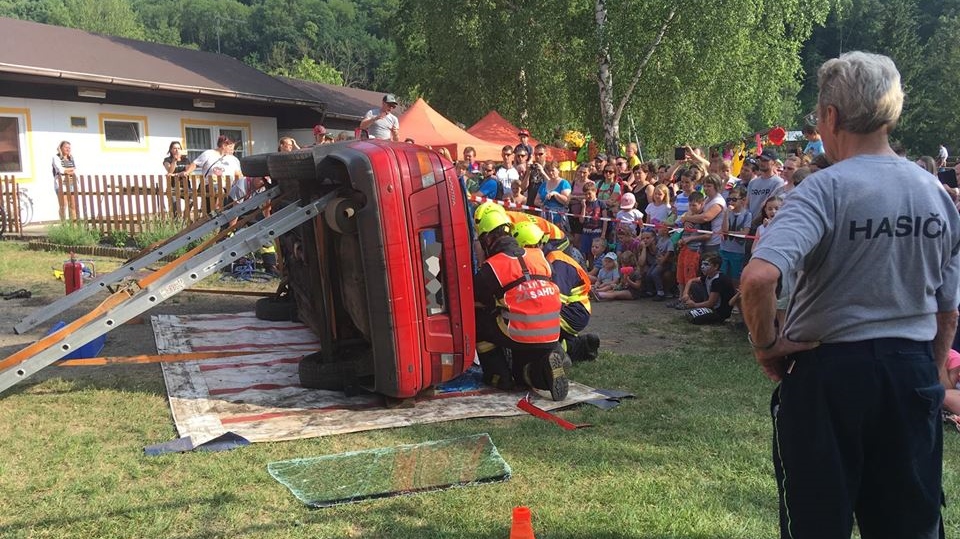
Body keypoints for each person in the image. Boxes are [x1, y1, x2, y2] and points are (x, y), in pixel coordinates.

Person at [739, 51, 960, 539]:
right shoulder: (935, 194)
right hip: (910, 371)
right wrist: (930, 372)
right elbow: (947, 310)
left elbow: (757, 279)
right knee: (910, 524)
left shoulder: (824, 190)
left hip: (830, 379)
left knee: (819, 523)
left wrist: (765, 343)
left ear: (830, 117)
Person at [472, 209, 568, 401]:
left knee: (478, 320)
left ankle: (498, 376)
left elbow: (479, 300)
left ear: (487, 240)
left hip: (518, 333)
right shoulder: (539, 256)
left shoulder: (492, 267)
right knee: (525, 372)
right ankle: (548, 364)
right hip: (552, 332)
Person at [512, 220, 600, 362]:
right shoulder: (547, 259)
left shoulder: (557, 261)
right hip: (570, 310)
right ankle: (581, 345)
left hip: (574, 311)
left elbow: (556, 300)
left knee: (535, 323)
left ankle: (558, 351)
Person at [181, 135, 243, 214]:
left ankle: (220, 215)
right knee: (217, 189)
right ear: (224, 145)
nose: (233, 150)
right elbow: (195, 164)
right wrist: (187, 172)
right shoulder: (209, 153)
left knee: (228, 199)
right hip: (210, 185)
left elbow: (238, 174)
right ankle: (215, 212)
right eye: (231, 147)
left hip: (228, 187)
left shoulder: (233, 159)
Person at [677, 252, 736, 325]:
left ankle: (714, 318)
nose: (702, 267)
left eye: (706, 264)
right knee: (693, 285)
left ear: (716, 267)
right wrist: (685, 294)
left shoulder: (718, 280)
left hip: (719, 311)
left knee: (694, 318)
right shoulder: (708, 276)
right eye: (702, 264)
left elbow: (711, 303)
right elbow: (691, 280)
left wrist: (694, 305)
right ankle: (699, 307)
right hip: (711, 306)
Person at [163, 141, 191, 217]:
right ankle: (177, 221)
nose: (177, 150)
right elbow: (169, 171)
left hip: (185, 186)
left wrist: (175, 174)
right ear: (171, 150)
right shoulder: (167, 160)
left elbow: (188, 171)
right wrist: (174, 160)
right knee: (175, 205)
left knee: (191, 200)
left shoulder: (186, 160)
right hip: (173, 187)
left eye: (178, 148)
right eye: (175, 148)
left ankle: (185, 217)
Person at [52, 140, 77, 220]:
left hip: (72, 183)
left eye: (69, 148)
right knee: (63, 206)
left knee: (73, 205)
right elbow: (61, 170)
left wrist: (69, 170)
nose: (68, 149)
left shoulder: (71, 158)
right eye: (66, 147)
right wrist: (70, 170)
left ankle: (74, 226)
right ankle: (64, 225)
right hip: (61, 184)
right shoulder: (56, 157)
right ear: (61, 148)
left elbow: (75, 169)